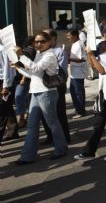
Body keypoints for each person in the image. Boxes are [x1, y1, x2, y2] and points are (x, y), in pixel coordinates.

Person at [14, 32, 68, 164]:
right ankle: (27, 156)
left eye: (42, 41)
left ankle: (61, 148)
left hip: (47, 93)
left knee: (52, 123)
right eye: (37, 41)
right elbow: (33, 73)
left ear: (49, 42)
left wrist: (21, 56)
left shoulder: (49, 55)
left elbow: (36, 67)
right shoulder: (39, 54)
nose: (38, 44)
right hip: (36, 92)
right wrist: (18, 67)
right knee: (32, 125)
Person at [73, 38, 106, 162]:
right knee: (98, 124)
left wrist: (91, 54)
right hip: (103, 95)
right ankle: (89, 151)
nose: (100, 51)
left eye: (102, 48)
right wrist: (90, 55)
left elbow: (102, 71)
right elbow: (95, 67)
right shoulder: (103, 57)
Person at [41, 29, 70, 144]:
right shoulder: (41, 51)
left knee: (59, 113)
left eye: (45, 37)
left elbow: (61, 72)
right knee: (46, 113)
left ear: (53, 39)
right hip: (44, 85)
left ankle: (65, 138)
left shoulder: (59, 52)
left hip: (57, 85)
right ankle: (50, 137)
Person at [14, 36, 36, 128]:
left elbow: (27, 65)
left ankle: (23, 118)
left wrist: (23, 77)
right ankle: (25, 116)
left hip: (25, 79)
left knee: (19, 97)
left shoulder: (29, 51)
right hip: (25, 78)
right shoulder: (30, 51)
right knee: (26, 98)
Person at [66, 28, 87, 118]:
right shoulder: (75, 44)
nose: (68, 38)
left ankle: (81, 111)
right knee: (73, 92)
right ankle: (78, 109)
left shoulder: (79, 44)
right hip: (73, 73)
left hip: (78, 73)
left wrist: (68, 58)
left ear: (75, 36)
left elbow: (81, 59)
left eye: (69, 36)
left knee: (78, 93)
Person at [0, 40, 18, 142]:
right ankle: (13, 131)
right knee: (7, 107)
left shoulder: (2, 49)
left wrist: (5, 86)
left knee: (2, 109)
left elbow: (6, 68)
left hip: (3, 82)